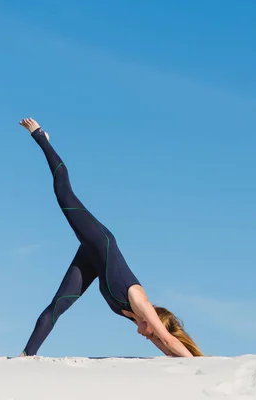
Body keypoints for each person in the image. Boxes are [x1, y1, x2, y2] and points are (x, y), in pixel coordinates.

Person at [18, 117, 203, 358]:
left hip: (90, 257)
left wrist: (180, 356)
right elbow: (166, 338)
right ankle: (42, 137)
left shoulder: (137, 316)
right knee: (64, 193)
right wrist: (197, 365)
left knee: (59, 305)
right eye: (150, 334)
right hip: (100, 242)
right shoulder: (139, 302)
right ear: (154, 319)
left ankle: (25, 357)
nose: (145, 336)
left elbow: (165, 343)